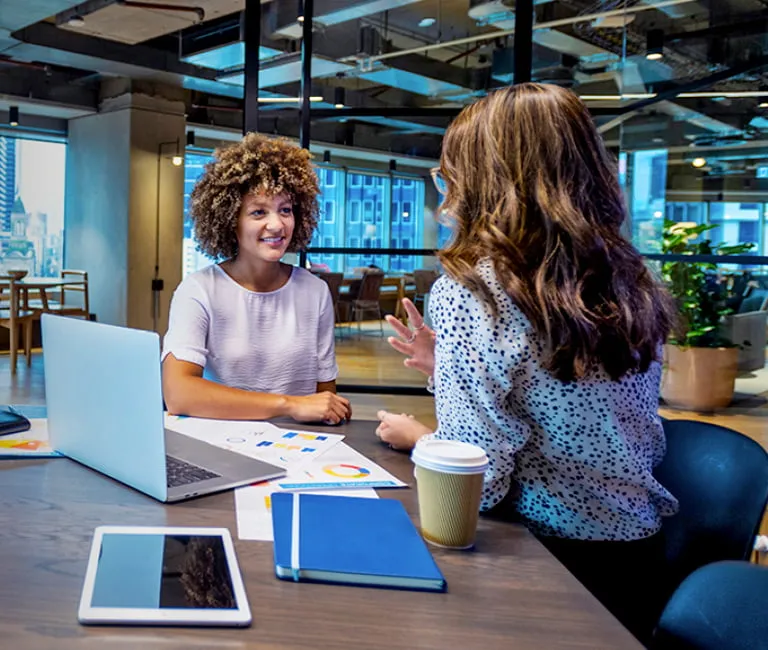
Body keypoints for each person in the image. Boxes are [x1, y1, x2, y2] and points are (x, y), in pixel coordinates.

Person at [376, 83, 678, 645]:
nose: (443, 194)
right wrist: (450, 365)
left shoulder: (473, 293)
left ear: (485, 182)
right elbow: (564, 390)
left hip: (543, 565)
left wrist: (424, 439)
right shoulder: (629, 281)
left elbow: (478, 485)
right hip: (636, 567)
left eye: (448, 176)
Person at [162, 133, 351, 425]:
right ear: (230, 220)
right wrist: (288, 404)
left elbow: (323, 397)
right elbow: (178, 394)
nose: (276, 225)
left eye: (285, 210)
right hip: (219, 447)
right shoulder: (199, 290)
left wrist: (328, 410)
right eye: (258, 212)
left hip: (299, 449)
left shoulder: (315, 292)